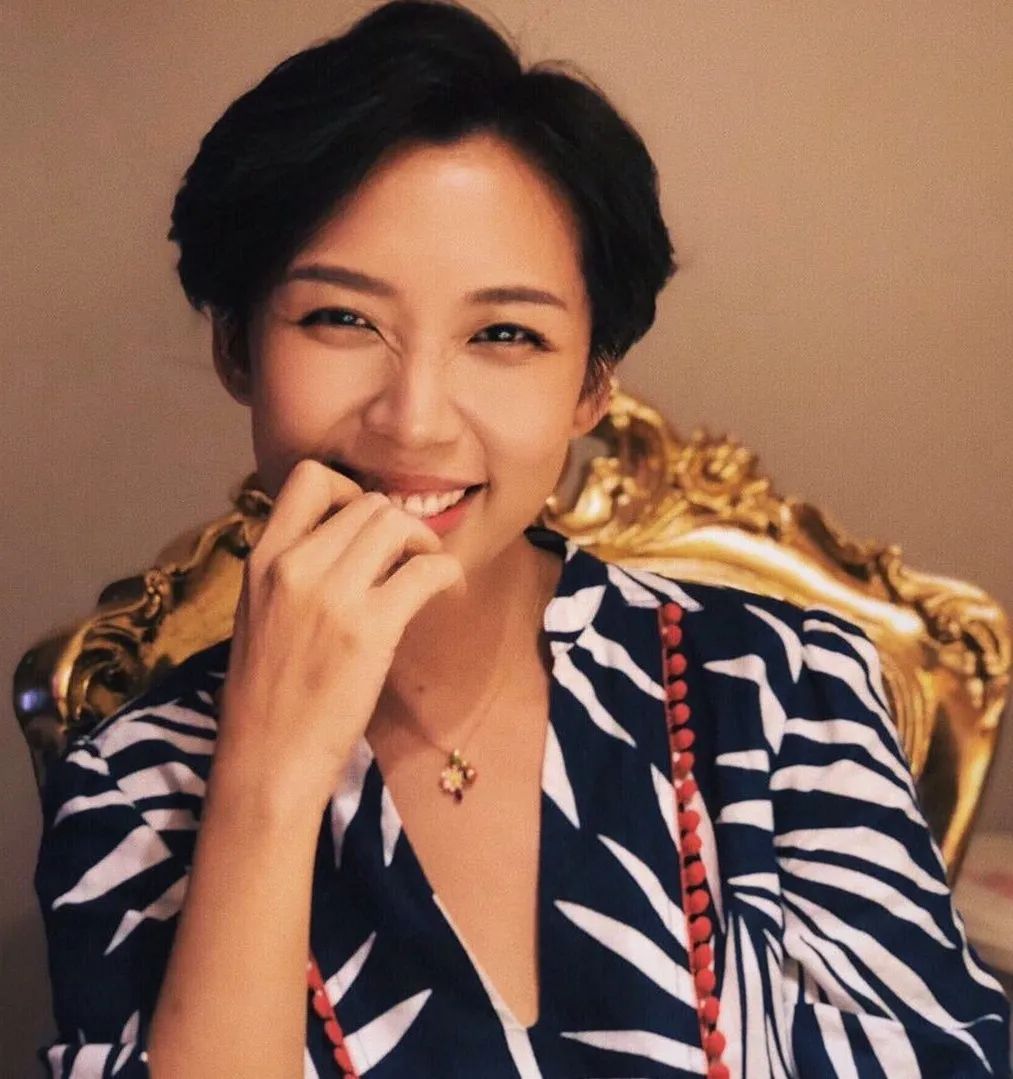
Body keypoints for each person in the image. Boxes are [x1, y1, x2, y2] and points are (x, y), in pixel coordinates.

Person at [34, 1, 1010, 1076]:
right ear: (237, 348)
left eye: (504, 333)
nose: (414, 420)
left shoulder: (785, 695)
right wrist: (268, 775)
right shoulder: (131, 787)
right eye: (340, 319)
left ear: (592, 382)